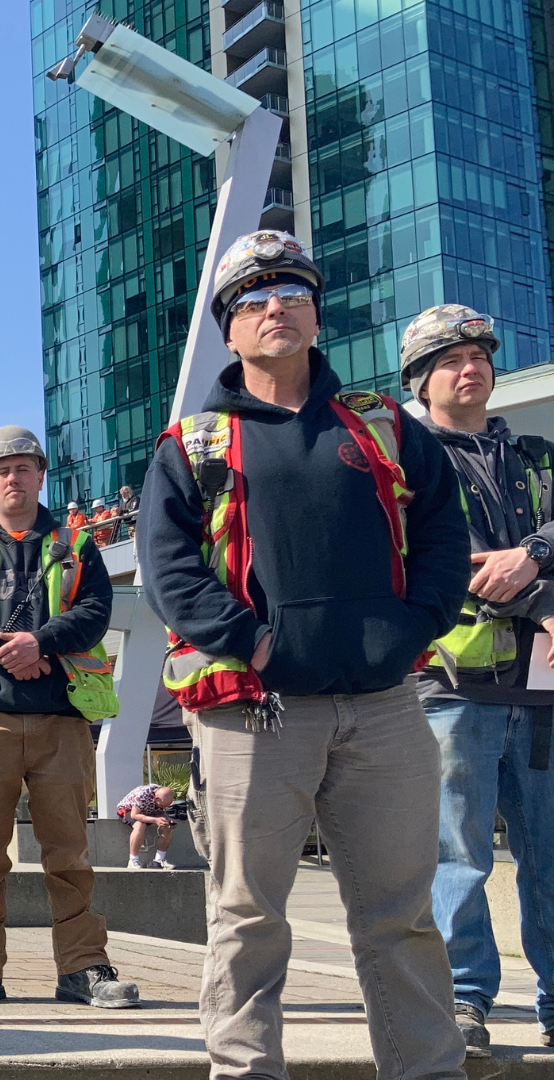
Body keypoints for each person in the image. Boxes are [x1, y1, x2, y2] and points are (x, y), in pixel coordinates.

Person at [139, 230, 470, 1080]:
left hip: (385, 706)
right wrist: (255, 643)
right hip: (254, 712)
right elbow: (169, 571)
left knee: (402, 919)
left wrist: (413, 627)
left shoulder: (384, 424)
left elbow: (443, 532)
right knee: (247, 918)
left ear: (317, 315)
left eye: (292, 292)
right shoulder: (194, 443)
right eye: (252, 299)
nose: (274, 307)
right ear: (229, 329)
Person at [0, 426, 136, 1009]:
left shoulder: (79, 543)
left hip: (61, 719)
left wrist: (40, 643)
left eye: (23, 467)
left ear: (41, 475)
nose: (13, 478)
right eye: (2, 470)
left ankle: (84, 968)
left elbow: (95, 612)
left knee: (70, 851)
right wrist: (10, 648)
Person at [401, 303, 554, 1055]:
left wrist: (536, 552)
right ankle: (464, 999)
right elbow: (450, 563)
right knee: (456, 855)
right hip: (452, 685)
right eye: (451, 360)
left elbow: (525, 552)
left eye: (480, 357)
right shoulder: (405, 463)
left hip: (542, 692)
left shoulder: (536, 457)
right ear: (420, 381)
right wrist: (545, 598)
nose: (471, 368)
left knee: (550, 855)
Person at [114, 783, 174, 870]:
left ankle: (159, 860)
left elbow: (161, 811)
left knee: (167, 826)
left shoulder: (161, 796)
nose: (163, 807)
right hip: (129, 810)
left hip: (148, 811)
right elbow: (134, 815)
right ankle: (133, 860)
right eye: (162, 805)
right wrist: (155, 820)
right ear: (156, 798)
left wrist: (168, 819)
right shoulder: (142, 795)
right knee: (140, 825)